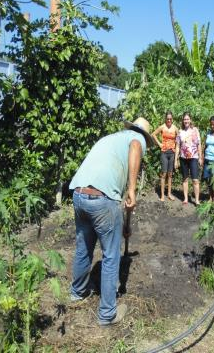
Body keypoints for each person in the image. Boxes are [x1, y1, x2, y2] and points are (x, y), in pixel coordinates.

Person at [68, 118, 153, 326]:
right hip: (102, 199)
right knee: (111, 256)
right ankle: (107, 314)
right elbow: (135, 147)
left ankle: (78, 293)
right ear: (143, 135)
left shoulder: (111, 139)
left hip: (79, 194)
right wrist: (132, 190)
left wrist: (125, 225)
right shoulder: (136, 139)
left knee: (84, 248)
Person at [175, 112, 203, 205]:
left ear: (190, 120)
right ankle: (186, 198)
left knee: (195, 180)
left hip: (194, 157)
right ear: (183, 121)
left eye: (187, 119)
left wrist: (200, 157)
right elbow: (178, 146)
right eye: (184, 119)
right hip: (183, 158)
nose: (186, 121)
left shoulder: (195, 130)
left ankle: (197, 200)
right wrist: (176, 159)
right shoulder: (180, 132)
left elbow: (199, 144)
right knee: (185, 179)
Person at [152, 111, 178, 201]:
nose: (169, 120)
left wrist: (177, 151)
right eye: (168, 119)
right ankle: (162, 195)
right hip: (164, 152)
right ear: (165, 119)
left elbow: (179, 139)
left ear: (172, 119)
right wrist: (159, 144)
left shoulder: (175, 128)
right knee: (163, 174)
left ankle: (169, 193)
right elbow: (153, 134)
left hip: (172, 153)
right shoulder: (162, 127)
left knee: (170, 174)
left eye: (170, 119)